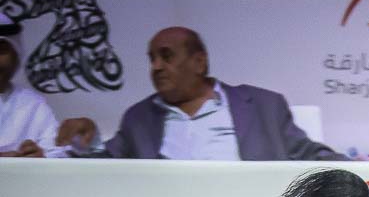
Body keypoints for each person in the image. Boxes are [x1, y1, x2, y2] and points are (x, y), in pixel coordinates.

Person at [57, 27, 341, 160]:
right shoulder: (139, 118)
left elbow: (310, 155)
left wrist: (360, 174)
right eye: (152, 59)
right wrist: (83, 143)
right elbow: (104, 165)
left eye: (166, 56)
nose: (156, 67)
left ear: (199, 62)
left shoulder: (263, 105)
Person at [0, 23, 64, 158]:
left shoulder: (33, 104)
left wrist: (41, 158)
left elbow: (57, 154)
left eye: (1, 50)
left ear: (16, 57)